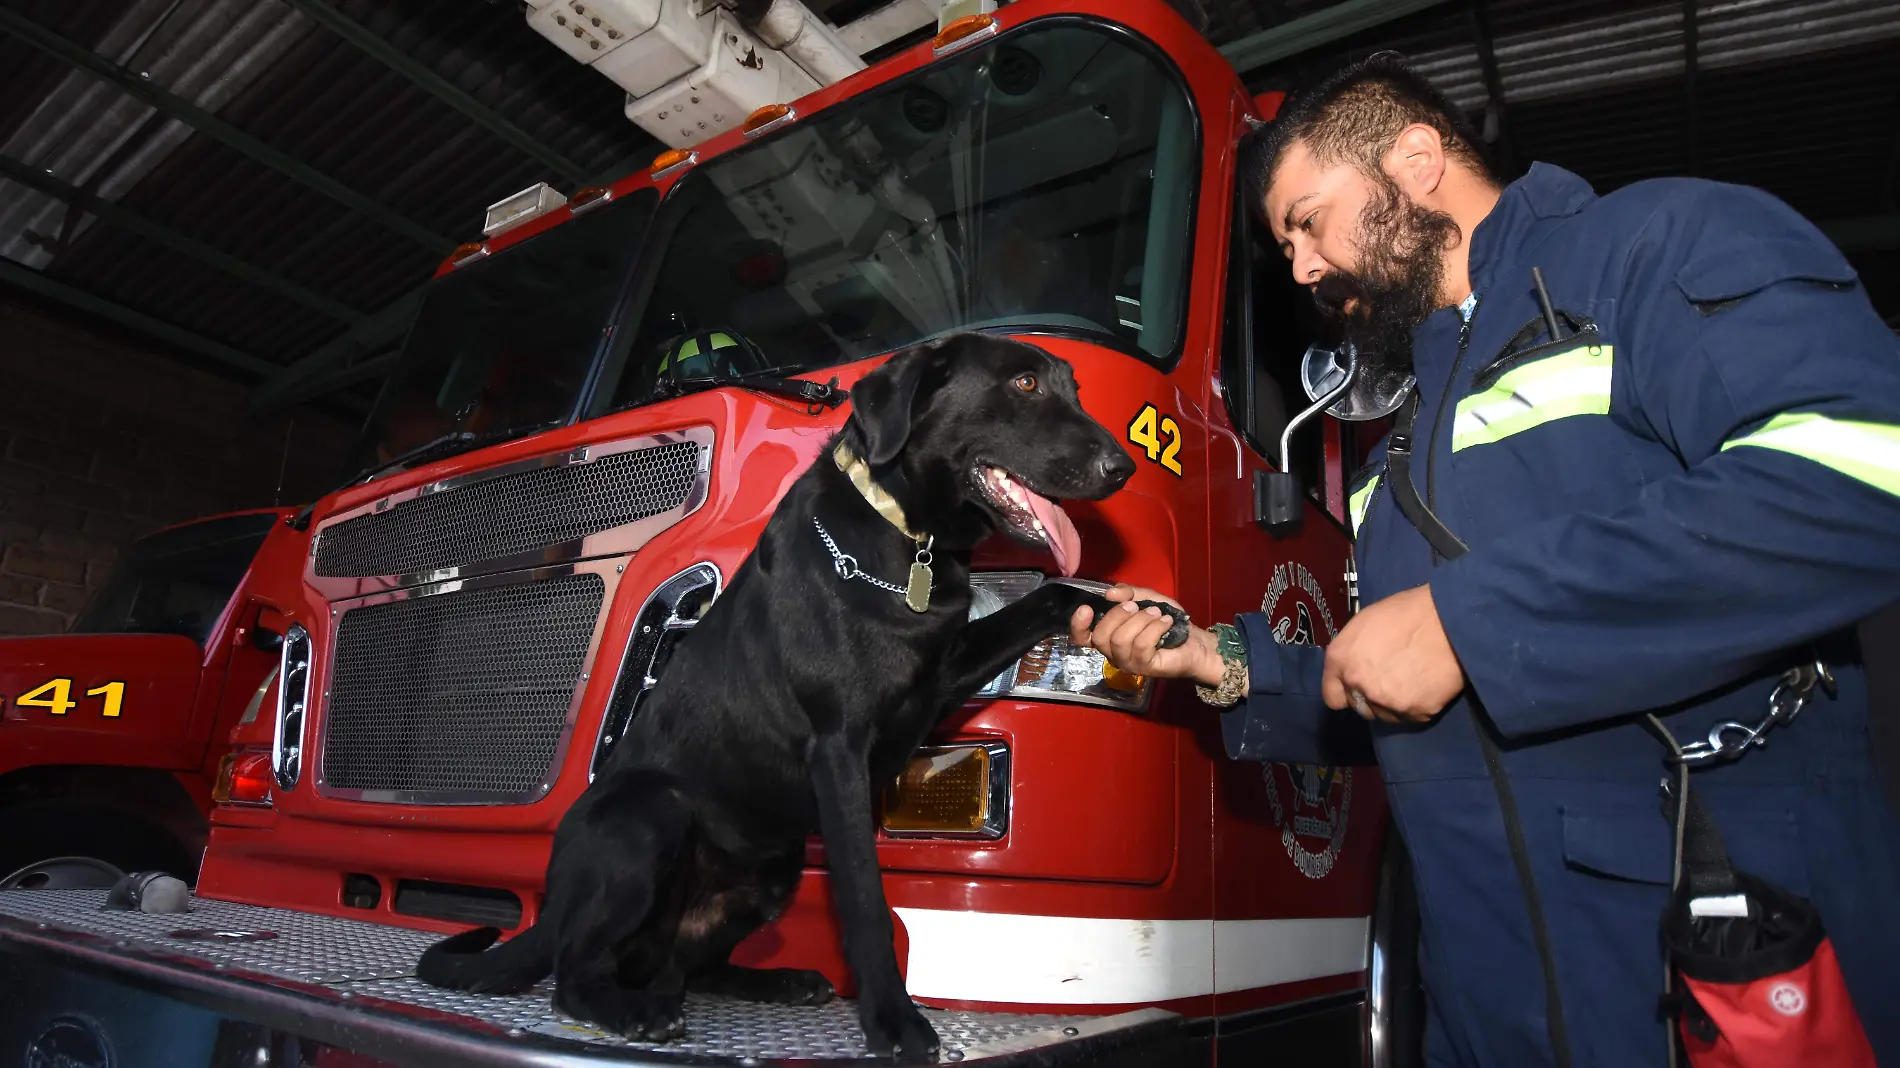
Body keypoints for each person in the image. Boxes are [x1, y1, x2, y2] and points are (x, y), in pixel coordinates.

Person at [1070, 54, 1900, 1067]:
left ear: (1414, 160)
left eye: (1304, 220)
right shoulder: (1407, 429)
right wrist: (1230, 663)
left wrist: (1471, 624)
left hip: (1698, 971)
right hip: (1481, 998)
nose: (1300, 267)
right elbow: (1414, 693)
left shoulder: (1656, 243)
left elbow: (1861, 471)